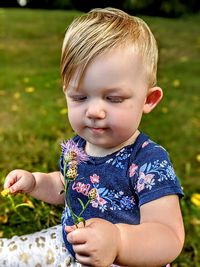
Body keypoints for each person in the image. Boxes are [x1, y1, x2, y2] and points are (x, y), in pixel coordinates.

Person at [0, 7, 184, 267]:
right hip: (68, 246)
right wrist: (34, 182)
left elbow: (168, 235)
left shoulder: (148, 161)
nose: (94, 111)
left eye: (113, 99)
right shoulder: (76, 148)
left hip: (125, 261)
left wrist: (119, 241)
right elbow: (66, 186)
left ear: (149, 99)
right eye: (79, 97)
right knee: (7, 256)